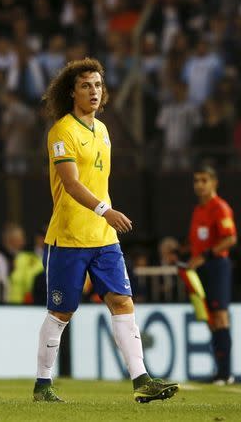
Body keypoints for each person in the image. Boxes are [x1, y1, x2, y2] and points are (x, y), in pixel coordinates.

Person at [33, 57, 178, 403]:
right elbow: (70, 183)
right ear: (72, 92)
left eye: (98, 85)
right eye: (85, 85)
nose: (94, 91)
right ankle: (42, 384)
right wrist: (105, 210)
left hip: (103, 238)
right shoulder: (62, 131)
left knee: (122, 301)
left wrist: (105, 217)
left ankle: (141, 379)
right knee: (61, 312)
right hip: (68, 237)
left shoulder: (103, 130)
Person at [187, 165, 237, 385]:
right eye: (196, 180)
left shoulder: (220, 208)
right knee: (211, 319)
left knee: (220, 316)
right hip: (203, 268)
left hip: (217, 266)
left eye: (204, 180)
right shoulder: (199, 210)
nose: (199, 185)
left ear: (214, 183)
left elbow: (230, 239)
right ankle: (221, 372)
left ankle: (226, 373)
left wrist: (205, 256)